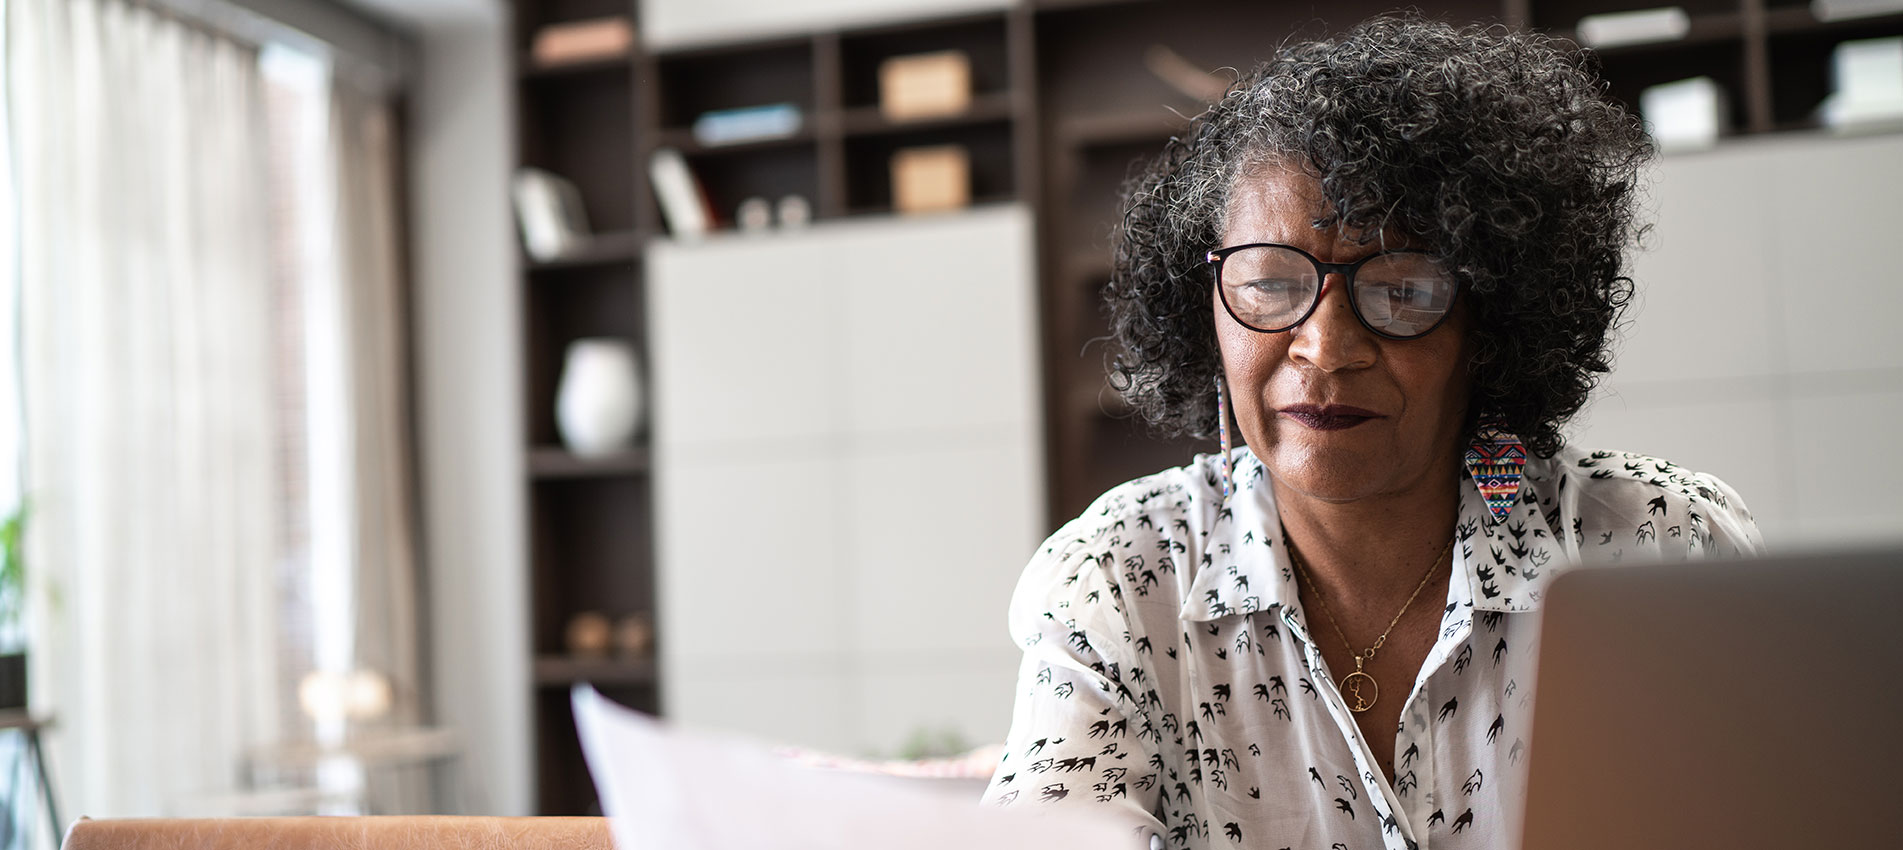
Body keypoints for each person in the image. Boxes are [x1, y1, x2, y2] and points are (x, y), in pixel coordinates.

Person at [979, 15, 1762, 850]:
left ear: (1490, 323)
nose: (1325, 347)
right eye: (1271, 283)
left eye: (1400, 290)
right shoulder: (1119, 579)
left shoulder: (1651, 548)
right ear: (1203, 308)